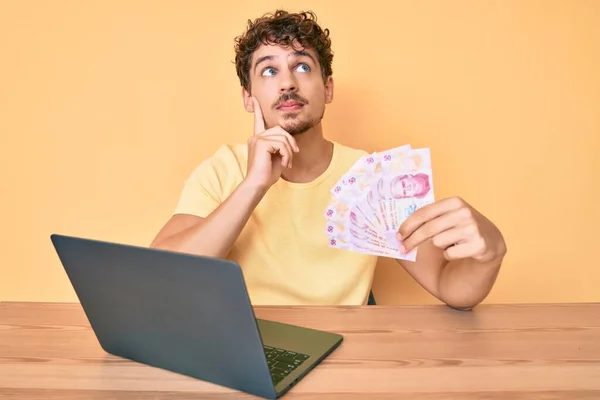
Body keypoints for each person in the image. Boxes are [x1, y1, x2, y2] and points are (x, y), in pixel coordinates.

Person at [150, 9, 507, 309]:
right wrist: (253, 185)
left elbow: (450, 287)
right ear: (248, 98)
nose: (287, 83)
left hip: (345, 351)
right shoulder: (223, 168)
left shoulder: (372, 178)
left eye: (302, 67)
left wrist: (490, 253)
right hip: (249, 344)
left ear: (328, 88)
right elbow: (164, 276)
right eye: (269, 71)